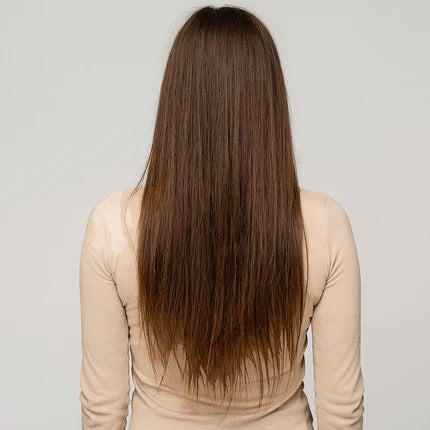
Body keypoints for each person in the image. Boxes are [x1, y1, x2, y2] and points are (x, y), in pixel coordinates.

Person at [78, 5, 365, 429]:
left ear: (175, 104)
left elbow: (102, 413)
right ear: (270, 105)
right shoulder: (324, 225)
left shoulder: (112, 226)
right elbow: (343, 414)